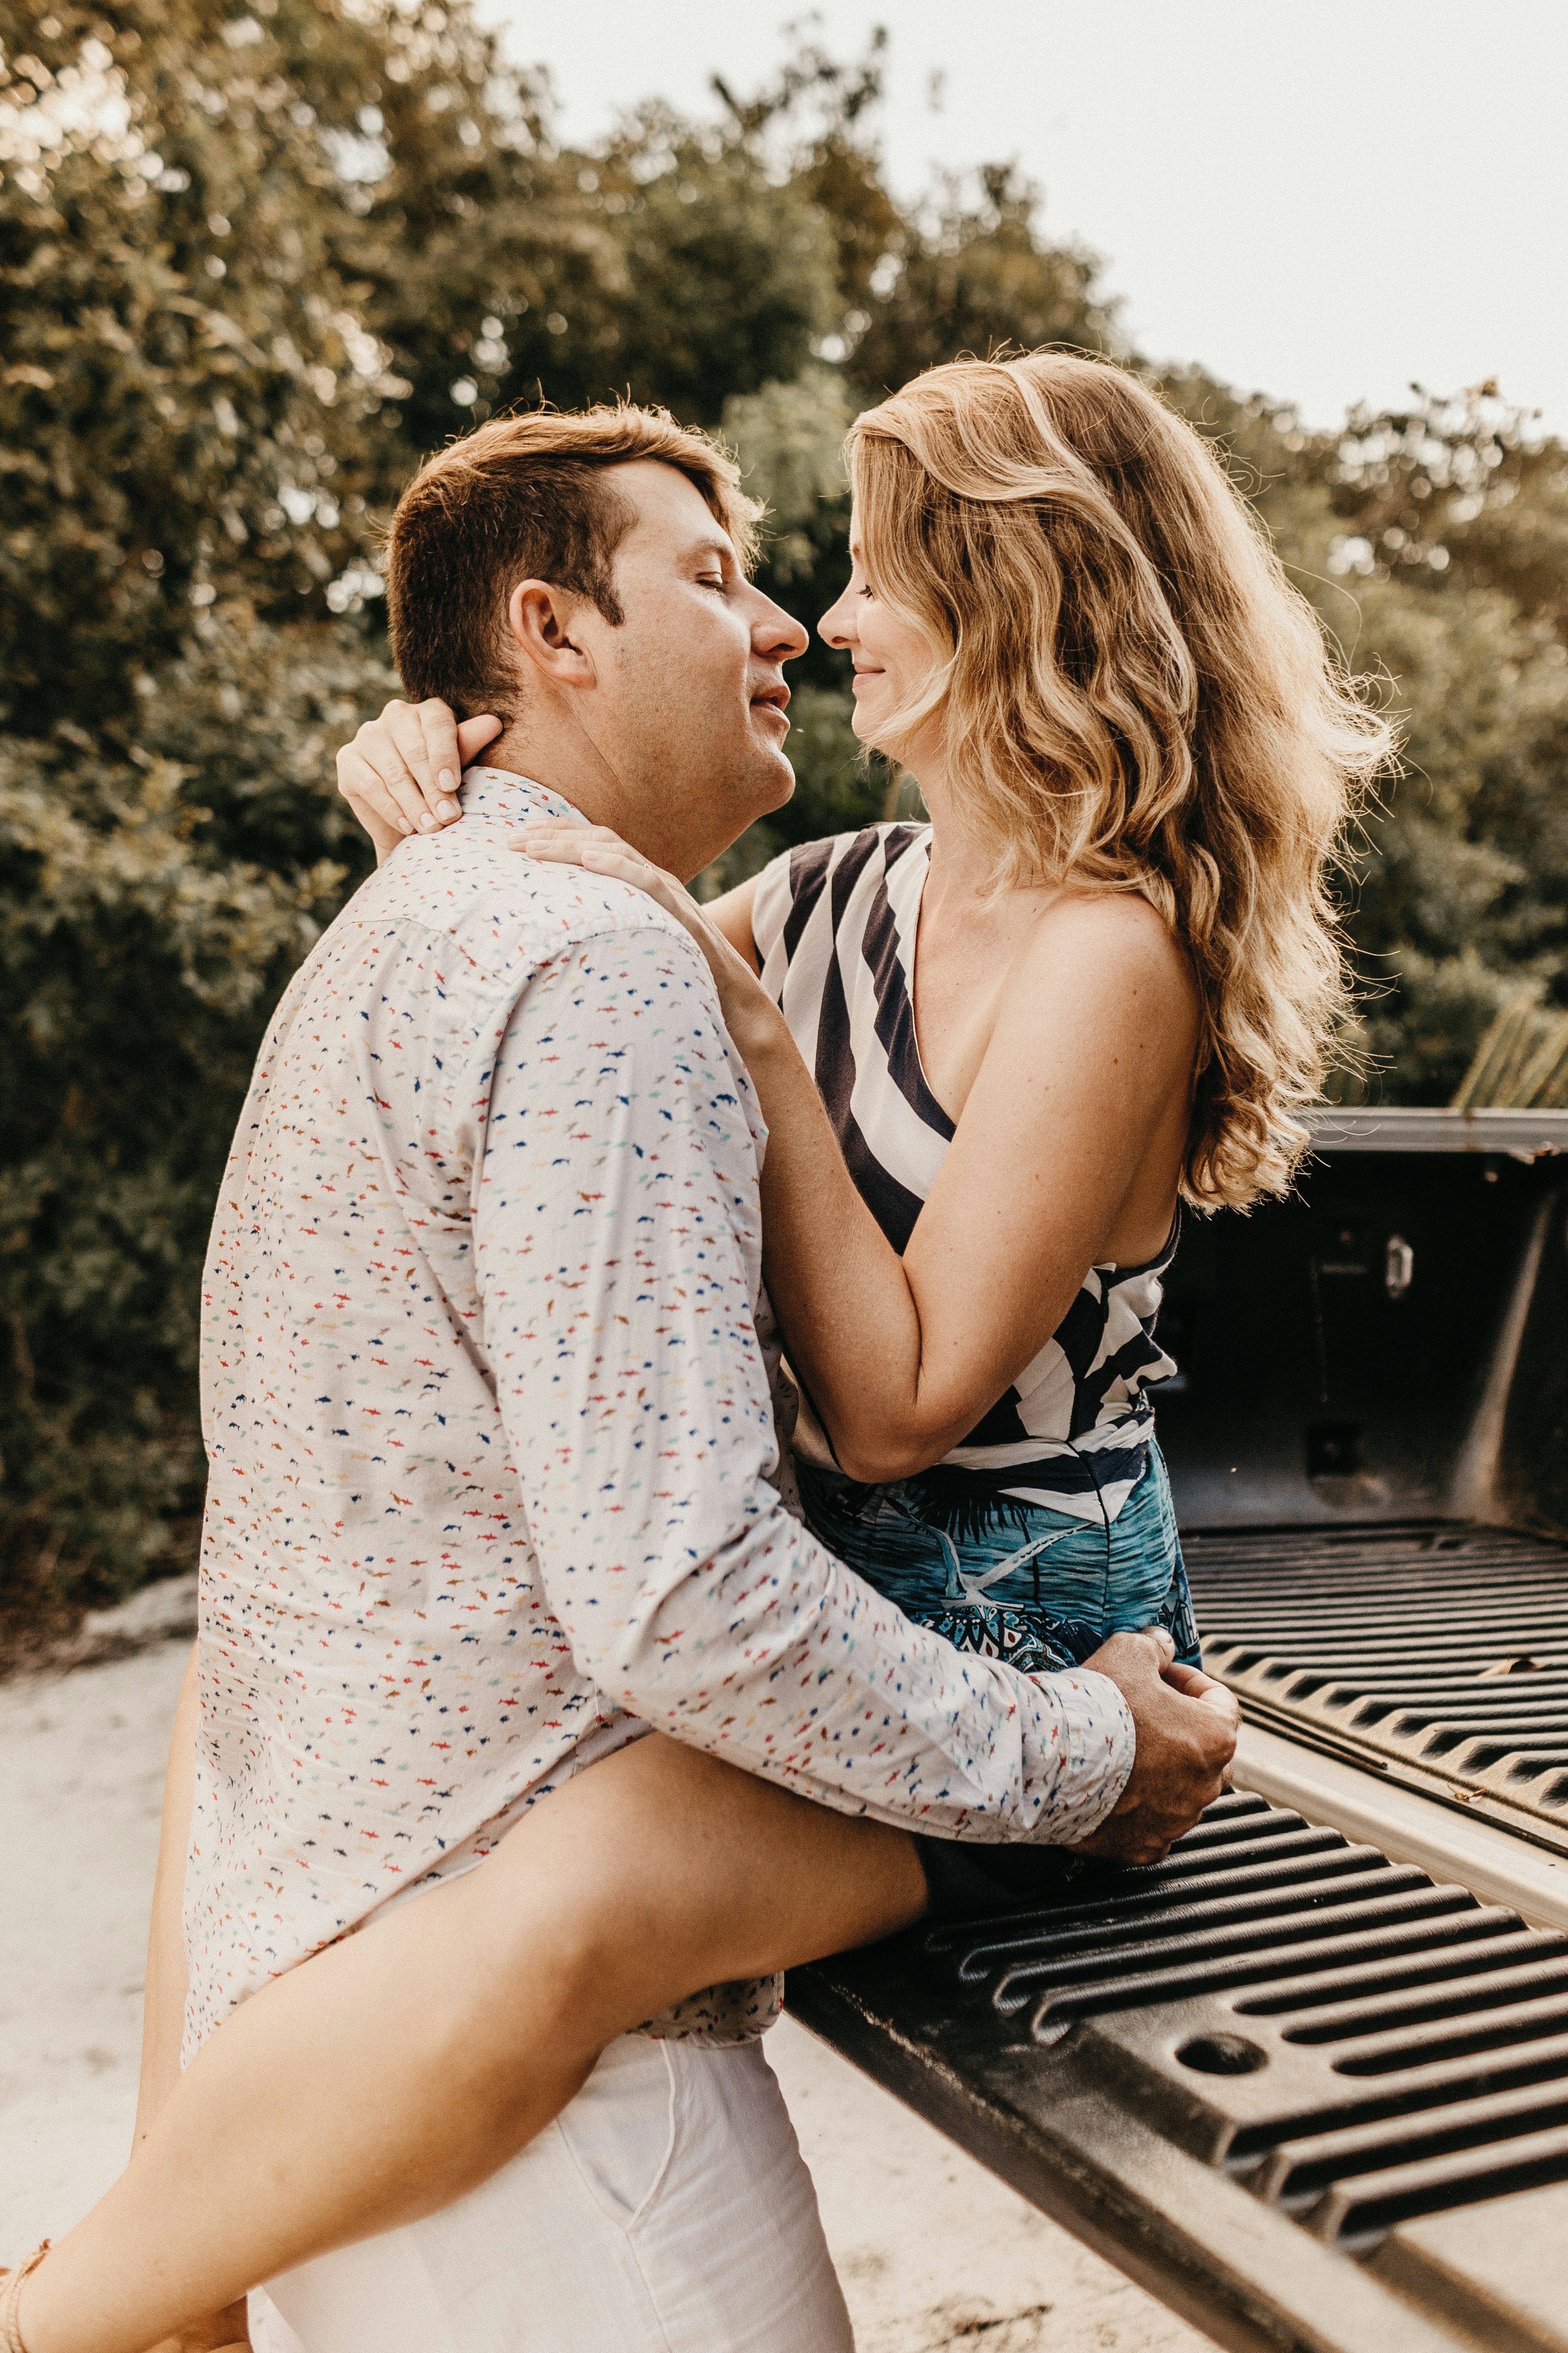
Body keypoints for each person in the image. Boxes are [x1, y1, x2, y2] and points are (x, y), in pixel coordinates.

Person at [4, 342, 1383, 2352]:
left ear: (1017, 593)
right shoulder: (832, 893)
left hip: (1021, 1605)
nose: (828, 614)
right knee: (265, 1719)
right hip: (859, 1585)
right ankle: (162, 2305)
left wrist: (747, 1033)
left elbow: (897, 1405)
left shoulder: (1110, 950)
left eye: (879, 565)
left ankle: (79, 2308)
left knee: (591, 1889)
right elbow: (537, 985)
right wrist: (433, 795)